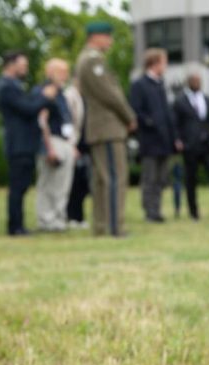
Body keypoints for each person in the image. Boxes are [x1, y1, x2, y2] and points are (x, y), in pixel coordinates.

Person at [77, 21, 136, 237]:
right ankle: (114, 226)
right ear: (96, 37)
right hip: (108, 127)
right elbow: (110, 95)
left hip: (102, 128)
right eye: (107, 36)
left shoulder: (88, 60)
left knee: (103, 179)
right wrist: (129, 116)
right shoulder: (93, 61)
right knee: (114, 178)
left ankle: (102, 226)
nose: (110, 41)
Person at [0, 51, 57, 237]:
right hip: (18, 144)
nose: (25, 69)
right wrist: (46, 97)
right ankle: (15, 226)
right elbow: (28, 109)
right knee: (17, 187)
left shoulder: (14, 85)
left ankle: (18, 224)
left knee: (21, 186)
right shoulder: (6, 86)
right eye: (22, 65)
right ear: (11, 64)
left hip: (24, 143)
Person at [130, 48, 179, 223]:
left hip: (164, 141)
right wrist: (150, 123)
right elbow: (136, 110)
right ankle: (149, 211)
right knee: (150, 178)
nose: (165, 66)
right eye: (164, 62)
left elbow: (168, 114)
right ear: (155, 63)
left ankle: (157, 210)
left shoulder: (160, 85)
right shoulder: (139, 85)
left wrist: (174, 137)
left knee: (161, 178)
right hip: (150, 140)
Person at [174, 72, 209, 221]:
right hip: (190, 146)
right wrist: (179, 140)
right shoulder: (180, 102)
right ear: (188, 83)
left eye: (198, 80)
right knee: (191, 180)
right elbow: (176, 123)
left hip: (207, 145)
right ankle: (193, 212)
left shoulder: (208, 100)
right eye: (193, 80)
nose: (196, 83)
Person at [33, 58, 75, 232]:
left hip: (64, 142)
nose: (65, 75)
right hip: (51, 140)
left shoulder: (61, 93)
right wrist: (48, 147)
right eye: (62, 71)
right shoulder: (43, 92)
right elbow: (42, 121)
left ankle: (59, 218)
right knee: (48, 183)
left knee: (62, 184)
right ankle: (46, 220)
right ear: (50, 72)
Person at [63, 77, 89, 230]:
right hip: (74, 144)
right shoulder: (70, 96)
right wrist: (71, 145)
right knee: (74, 183)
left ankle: (79, 216)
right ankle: (72, 215)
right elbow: (69, 122)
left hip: (84, 146)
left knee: (82, 183)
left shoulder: (83, 97)